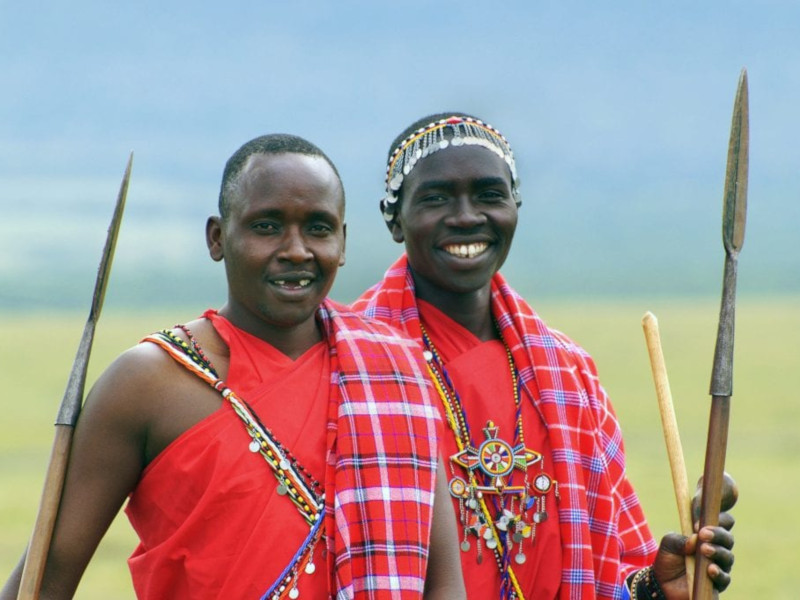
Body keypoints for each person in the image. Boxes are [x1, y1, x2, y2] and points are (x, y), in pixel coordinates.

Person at [2, 134, 466, 599]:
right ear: (218, 238)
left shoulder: (395, 371)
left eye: (318, 228)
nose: (296, 250)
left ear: (342, 242)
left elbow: (442, 583)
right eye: (267, 227)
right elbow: (47, 576)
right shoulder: (148, 384)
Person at [352, 113, 736, 600]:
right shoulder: (349, 364)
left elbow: (610, 573)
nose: (467, 216)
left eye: (490, 195)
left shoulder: (567, 372)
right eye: (436, 198)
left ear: (515, 207)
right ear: (395, 219)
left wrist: (656, 587)